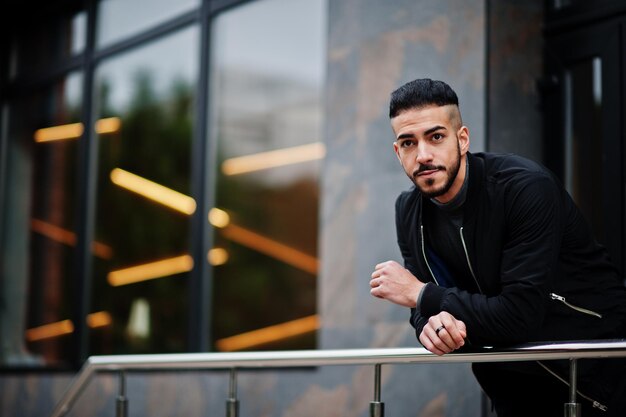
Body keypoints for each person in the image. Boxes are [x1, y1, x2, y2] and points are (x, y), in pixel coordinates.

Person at [369, 78, 626, 417]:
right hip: (510, 385)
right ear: (397, 151)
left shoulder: (524, 189)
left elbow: (519, 316)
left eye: (436, 136)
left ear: (462, 140)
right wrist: (429, 327)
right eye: (408, 142)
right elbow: (425, 307)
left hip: (595, 374)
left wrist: (422, 296)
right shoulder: (409, 211)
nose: (423, 155)